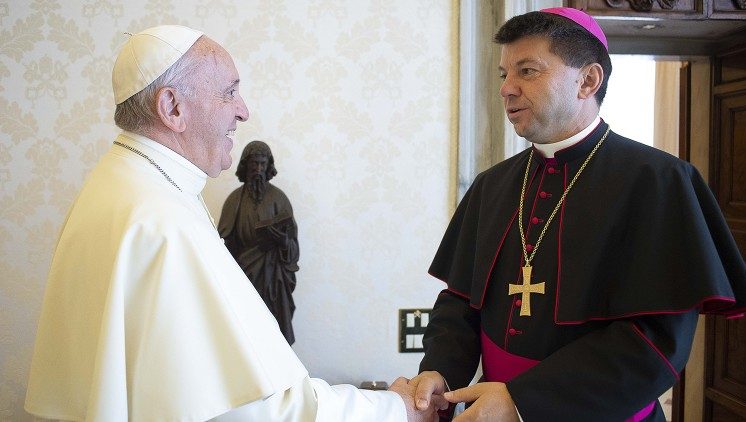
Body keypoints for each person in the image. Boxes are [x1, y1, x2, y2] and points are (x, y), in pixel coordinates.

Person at [24, 25, 444, 422]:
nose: (243, 112)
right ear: (172, 107)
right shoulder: (162, 220)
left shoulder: (122, 183)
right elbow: (250, 411)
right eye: (229, 94)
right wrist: (395, 408)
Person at [409, 8, 746, 422]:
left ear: (587, 80)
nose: (507, 89)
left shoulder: (659, 181)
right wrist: (439, 370)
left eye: (528, 71)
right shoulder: (492, 185)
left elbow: (656, 341)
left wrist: (522, 401)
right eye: (504, 74)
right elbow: (461, 300)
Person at [219, 141, 299, 345]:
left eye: (263, 164)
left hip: (273, 279)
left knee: (274, 335)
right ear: (246, 166)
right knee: (245, 334)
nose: (258, 169)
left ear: (268, 166)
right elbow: (221, 245)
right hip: (243, 276)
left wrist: (282, 241)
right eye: (254, 164)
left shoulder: (279, 199)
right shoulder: (234, 200)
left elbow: (293, 247)